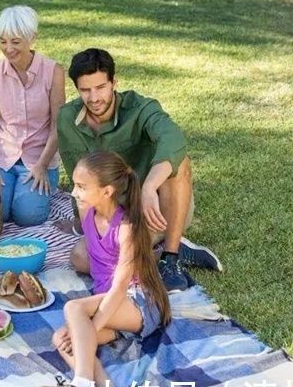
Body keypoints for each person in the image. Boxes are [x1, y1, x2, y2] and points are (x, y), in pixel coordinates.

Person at [56, 48, 221, 291]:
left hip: (155, 211)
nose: (94, 98)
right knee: (80, 258)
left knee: (179, 161)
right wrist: (93, 229)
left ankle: (171, 257)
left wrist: (149, 187)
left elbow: (174, 139)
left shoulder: (141, 108)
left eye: (101, 87)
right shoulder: (67, 118)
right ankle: (162, 256)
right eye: (85, 90)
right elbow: (80, 184)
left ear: (114, 83)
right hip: (111, 215)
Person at [37, 151, 170, 387]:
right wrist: (85, 331)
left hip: (139, 303)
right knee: (61, 338)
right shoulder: (88, 213)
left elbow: (120, 286)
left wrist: (92, 325)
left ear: (107, 191)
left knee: (74, 308)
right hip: (112, 306)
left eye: (81, 187)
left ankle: (81, 384)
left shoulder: (127, 227)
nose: (74, 193)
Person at [0, 5, 65, 226]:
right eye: (3, 41)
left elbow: (58, 125)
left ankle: (36, 193)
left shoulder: (53, 72)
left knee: (28, 215)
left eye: (15, 42)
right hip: (1, 159)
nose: (8, 49)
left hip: (38, 159)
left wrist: (42, 165)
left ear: (32, 38)